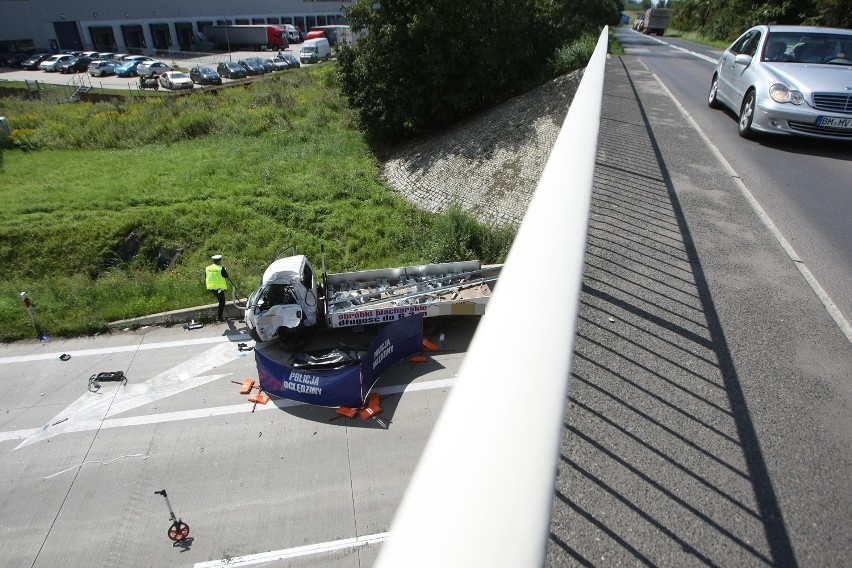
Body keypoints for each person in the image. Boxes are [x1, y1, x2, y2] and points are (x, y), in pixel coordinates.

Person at [206, 254, 229, 322]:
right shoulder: (221, 268)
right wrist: (225, 271)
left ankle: (220, 316)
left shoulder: (208, 268)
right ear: (219, 261)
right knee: (222, 302)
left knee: (221, 300)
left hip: (211, 287)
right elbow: (227, 278)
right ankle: (219, 317)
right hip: (218, 288)